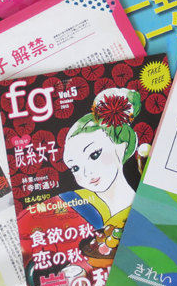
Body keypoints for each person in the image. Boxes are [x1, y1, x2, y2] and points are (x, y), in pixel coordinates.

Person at [61, 88, 142, 229]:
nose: (86, 173)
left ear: (121, 146)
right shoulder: (70, 202)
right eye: (75, 167)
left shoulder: (146, 205)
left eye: (94, 155)